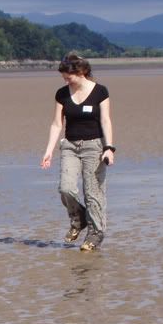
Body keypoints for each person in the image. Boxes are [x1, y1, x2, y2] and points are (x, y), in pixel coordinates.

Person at [41, 53, 115, 251]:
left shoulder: (100, 91)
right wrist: (48, 151)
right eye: (63, 76)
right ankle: (78, 218)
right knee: (65, 188)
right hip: (70, 146)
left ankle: (95, 234)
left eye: (68, 76)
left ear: (81, 72)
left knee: (93, 194)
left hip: (95, 147)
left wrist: (109, 148)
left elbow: (106, 121)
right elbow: (57, 124)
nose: (65, 80)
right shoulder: (62, 94)